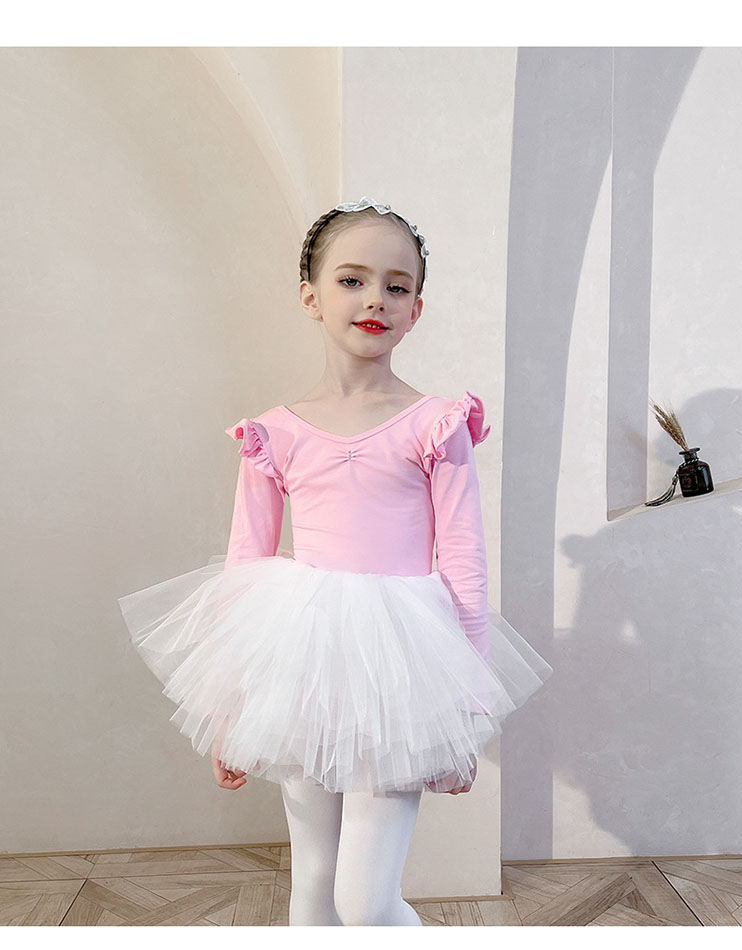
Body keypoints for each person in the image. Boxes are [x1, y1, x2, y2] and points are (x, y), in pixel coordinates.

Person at [117, 195, 553, 926]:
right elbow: (245, 565)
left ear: (416, 309)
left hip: (401, 668)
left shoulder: (435, 424)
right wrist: (229, 710)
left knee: (365, 901)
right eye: (352, 280)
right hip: (304, 661)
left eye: (397, 286)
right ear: (310, 297)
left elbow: (465, 565)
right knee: (314, 885)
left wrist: (468, 709)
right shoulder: (274, 433)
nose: (375, 299)